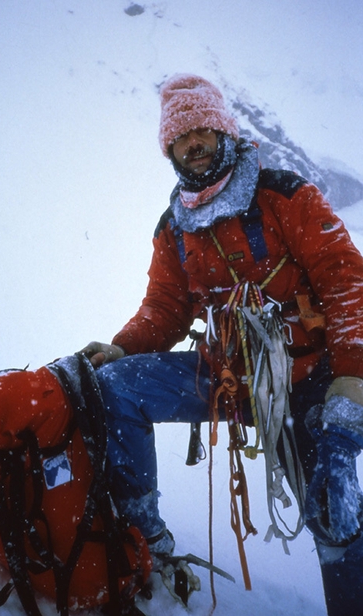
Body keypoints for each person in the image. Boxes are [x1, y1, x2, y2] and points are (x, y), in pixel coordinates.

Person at [81, 74, 363, 615]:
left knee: (334, 512)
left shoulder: (284, 195)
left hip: (305, 380)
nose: (193, 144)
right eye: (181, 138)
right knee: (117, 386)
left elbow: (346, 281)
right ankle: (148, 547)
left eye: (202, 131)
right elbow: (164, 308)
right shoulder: (174, 227)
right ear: (170, 149)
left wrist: (348, 391)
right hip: (228, 377)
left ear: (223, 130)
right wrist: (122, 348)